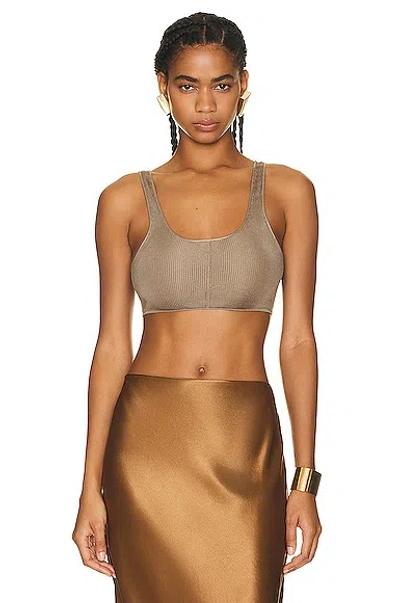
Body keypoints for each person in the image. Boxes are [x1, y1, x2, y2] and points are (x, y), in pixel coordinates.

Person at [72, 11, 322, 603]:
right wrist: (89, 488)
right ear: (163, 87)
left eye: (221, 84)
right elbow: (111, 345)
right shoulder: (124, 200)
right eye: (188, 85)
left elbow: (298, 341)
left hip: (245, 443)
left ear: (243, 85)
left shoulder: (289, 192)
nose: (205, 105)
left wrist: (305, 481)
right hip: (148, 448)